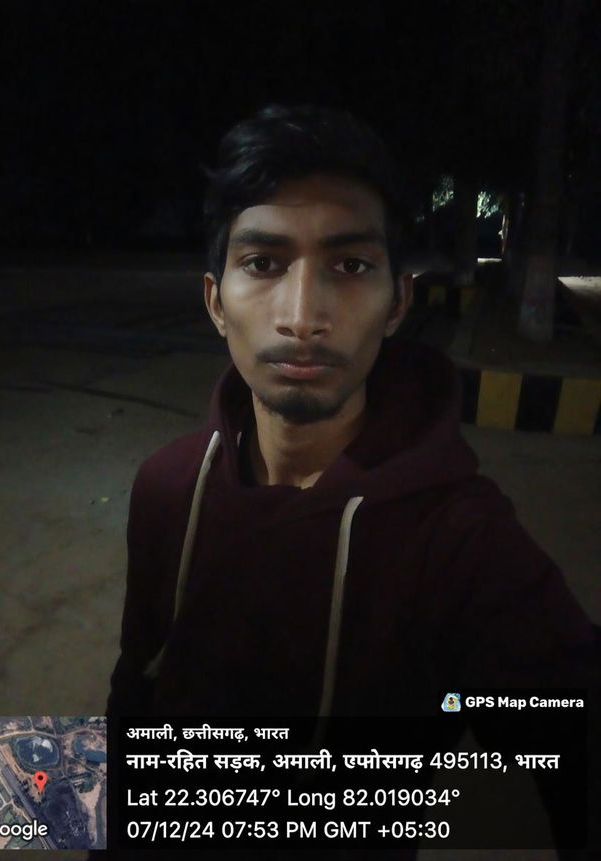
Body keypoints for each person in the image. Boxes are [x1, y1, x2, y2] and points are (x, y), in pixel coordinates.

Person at [97, 104, 600, 859]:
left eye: (351, 265)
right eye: (264, 263)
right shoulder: (167, 486)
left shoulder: (462, 540)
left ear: (398, 302)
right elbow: (134, 692)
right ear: (214, 301)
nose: (302, 316)